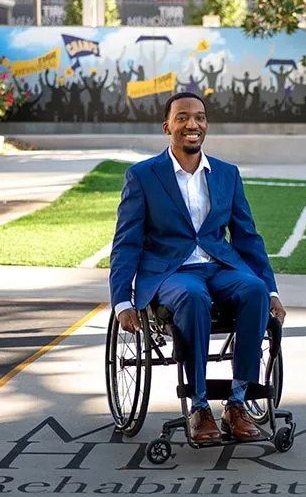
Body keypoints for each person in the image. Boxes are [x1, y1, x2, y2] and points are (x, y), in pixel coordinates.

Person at [109, 91, 286, 444]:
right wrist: (122, 301)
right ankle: (199, 406)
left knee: (252, 290)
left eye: (200, 118)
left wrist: (271, 289)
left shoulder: (226, 174)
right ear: (167, 127)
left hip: (219, 267)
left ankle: (237, 402)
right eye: (183, 118)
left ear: (206, 125)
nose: (193, 124)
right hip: (171, 273)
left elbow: (248, 237)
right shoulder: (143, 176)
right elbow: (126, 242)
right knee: (192, 296)